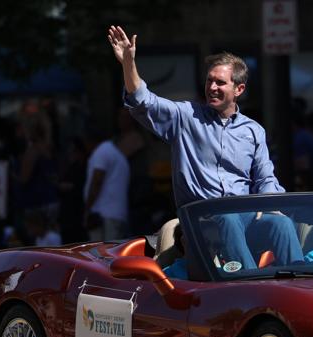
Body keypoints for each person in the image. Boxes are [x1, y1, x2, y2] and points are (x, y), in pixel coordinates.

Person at [109, 25, 302, 269]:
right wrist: (128, 63)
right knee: (227, 219)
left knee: (281, 224)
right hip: (203, 221)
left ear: (238, 89)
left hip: (243, 219)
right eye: (209, 81)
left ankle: (299, 285)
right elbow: (143, 101)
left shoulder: (253, 130)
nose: (211, 87)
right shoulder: (186, 117)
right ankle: (249, 289)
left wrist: (276, 207)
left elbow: (265, 179)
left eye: (220, 83)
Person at [83, 130, 130, 241]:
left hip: (104, 215)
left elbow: (97, 180)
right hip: (115, 214)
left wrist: (87, 208)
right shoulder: (116, 153)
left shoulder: (102, 152)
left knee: (100, 255)